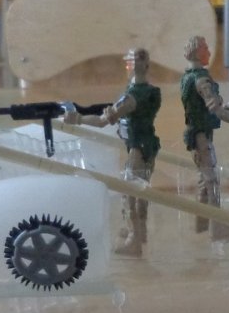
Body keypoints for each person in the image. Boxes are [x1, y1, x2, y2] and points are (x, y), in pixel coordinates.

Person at [64, 48, 161, 256]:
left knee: (129, 192)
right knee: (141, 189)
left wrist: (77, 118)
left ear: (132, 65)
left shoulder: (131, 97)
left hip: (138, 148)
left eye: (128, 63)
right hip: (147, 145)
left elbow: (102, 122)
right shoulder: (151, 92)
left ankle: (134, 239)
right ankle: (140, 231)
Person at [180, 35, 229, 241]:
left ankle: (202, 223)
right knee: (212, 180)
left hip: (196, 132)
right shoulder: (202, 80)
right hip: (202, 136)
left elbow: (207, 107)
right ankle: (217, 228)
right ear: (198, 53)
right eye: (206, 49)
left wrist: (227, 108)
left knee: (204, 179)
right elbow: (214, 109)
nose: (209, 52)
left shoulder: (187, 77)